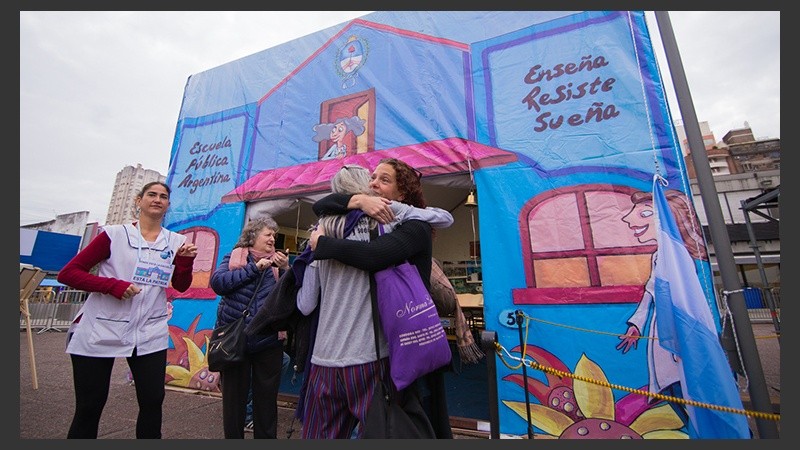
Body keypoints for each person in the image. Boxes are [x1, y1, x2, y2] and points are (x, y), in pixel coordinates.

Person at [296, 163, 453, 439]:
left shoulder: (410, 226)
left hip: (392, 349)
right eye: (371, 179)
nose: (373, 184)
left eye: (384, 180)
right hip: (371, 358)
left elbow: (374, 255)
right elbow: (322, 204)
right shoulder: (366, 222)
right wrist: (358, 201)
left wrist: (321, 245)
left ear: (402, 193)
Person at [57, 181, 197, 439]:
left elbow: (180, 285)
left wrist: (185, 262)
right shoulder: (113, 235)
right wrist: (112, 286)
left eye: (163, 196)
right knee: (90, 406)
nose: (157, 199)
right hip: (102, 327)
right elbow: (69, 274)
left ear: (168, 205)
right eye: (151, 195)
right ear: (138, 201)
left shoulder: (176, 241)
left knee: (153, 401)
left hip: (149, 331)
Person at [616, 188, 709, 415]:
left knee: (690, 392)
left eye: (645, 214)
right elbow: (649, 292)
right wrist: (636, 325)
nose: (628, 219)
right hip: (662, 333)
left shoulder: (681, 257)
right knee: (671, 388)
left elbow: (686, 302)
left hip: (677, 332)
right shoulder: (659, 256)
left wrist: (683, 339)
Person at [210, 215, 290, 439]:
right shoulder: (234, 257)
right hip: (236, 340)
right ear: (253, 236)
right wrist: (254, 269)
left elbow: (289, 297)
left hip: (268, 340)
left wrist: (285, 270)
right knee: (234, 402)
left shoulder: (277, 262)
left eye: (274, 235)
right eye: (268, 234)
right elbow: (219, 284)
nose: (272, 239)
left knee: (266, 402)